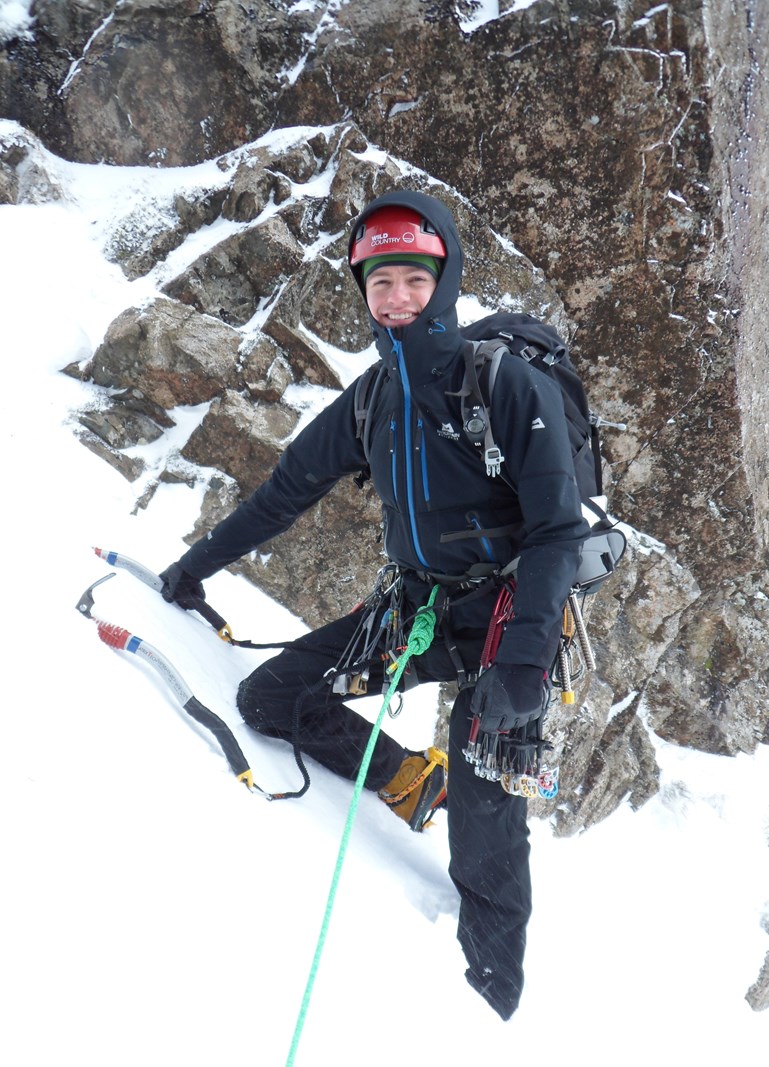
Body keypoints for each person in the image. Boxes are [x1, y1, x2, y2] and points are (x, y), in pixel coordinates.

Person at [159, 190, 590, 1020]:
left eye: (413, 280)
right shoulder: (371, 401)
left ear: (445, 277)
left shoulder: (504, 385)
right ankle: (405, 780)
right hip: (420, 607)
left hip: (508, 620)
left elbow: (556, 533)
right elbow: (285, 491)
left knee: (487, 816)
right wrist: (194, 566)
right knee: (272, 698)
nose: (394, 299)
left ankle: (489, 997)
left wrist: (525, 665)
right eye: (379, 281)